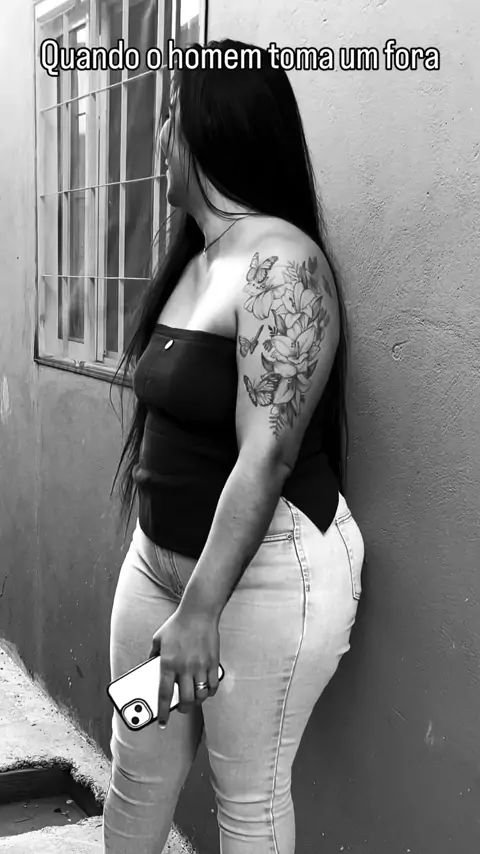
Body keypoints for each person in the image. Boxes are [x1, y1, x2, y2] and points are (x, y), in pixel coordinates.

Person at [104, 38, 365, 854]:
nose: (159, 138)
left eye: (170, 115)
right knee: (136, 773)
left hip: (261, 578)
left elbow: (266, 457)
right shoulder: (197, 258)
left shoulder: (280, 263)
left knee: (247, 799)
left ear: (209, 128)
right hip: (159, 564)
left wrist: (201, 610)